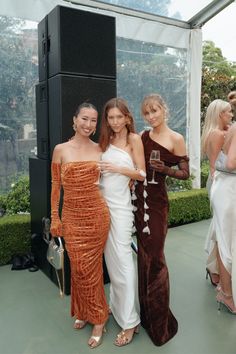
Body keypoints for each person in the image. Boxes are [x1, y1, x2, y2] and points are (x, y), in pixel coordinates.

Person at [50, 102, 110, 349]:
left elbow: (113, 183)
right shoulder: (60, 149)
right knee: (79, 269)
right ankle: (84, 311)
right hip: (72, 219)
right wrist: (55, 217)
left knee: (91, 269)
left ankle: (99, 318)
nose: (88, 124)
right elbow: (56, 187)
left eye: (94, 120)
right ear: (74, 120)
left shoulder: (101, 150)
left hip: (96, 217)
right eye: (84, 119)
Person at [134, 93, 189, 346]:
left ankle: (161, 324)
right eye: (146, 113)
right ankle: (147, 317)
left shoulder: (176, 138)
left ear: (164, 109)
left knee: (156, 259)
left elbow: (185, 173)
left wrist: (164, 169)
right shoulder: (142, 137)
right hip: (139, 203)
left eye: (155, 110)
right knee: (144, 260)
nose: (151, 116)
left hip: (157, 205)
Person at [98, 97, 146, 347]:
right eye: (111, 118)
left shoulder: (134, 140)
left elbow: (142, 173)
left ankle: (131, 321)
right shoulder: (105, 141)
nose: (115, 122)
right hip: (102, 207)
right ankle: (118, 310)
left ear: (127, 117)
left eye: (119, 117)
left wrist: (118, 169)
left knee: (125, 262)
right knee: (112, 261)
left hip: (122, 209)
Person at [201, 99, 233, 286]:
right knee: (221, 231)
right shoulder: (218, 134)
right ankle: (215, 269)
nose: (231, 114)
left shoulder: (221, 132)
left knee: (218, 228)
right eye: (228, 111)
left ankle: (213, 267)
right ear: (220, 114)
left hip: (220, 182)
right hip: (219, 183)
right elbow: (215, 166)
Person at [207, 122, 236, 313]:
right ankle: (226, 295)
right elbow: (231, 163)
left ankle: (224, 287)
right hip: (229, 188)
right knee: (227, 244)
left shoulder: (232, 128)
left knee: (224, 240)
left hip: (228, 185)